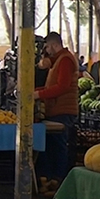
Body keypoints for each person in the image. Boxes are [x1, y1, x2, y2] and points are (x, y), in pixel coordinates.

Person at [36, 32, 79, 179]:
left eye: (47, 47)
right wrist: (34, 91)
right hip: (55, 109)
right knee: (52, 146)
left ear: (54, 45)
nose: (46, 51)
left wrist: (39, 95)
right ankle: (51, 179)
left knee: (59, 147)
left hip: (63, 111)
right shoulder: (58, 61)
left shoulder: (65, 60)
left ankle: (59, 180)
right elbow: (51, 86)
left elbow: (63, 87)